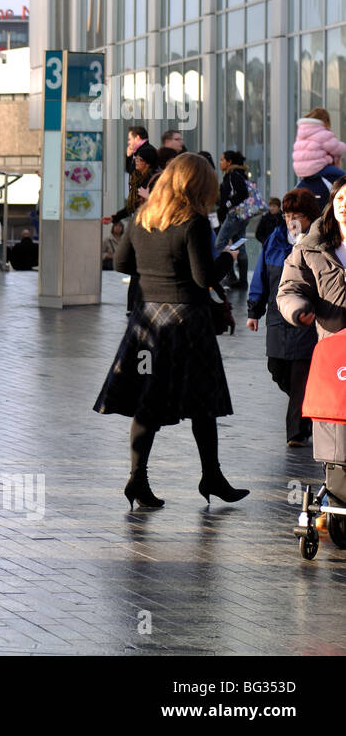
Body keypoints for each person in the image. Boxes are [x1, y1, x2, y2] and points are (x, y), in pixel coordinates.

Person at [94, 152, 248, 509]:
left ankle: (138, 479)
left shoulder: (141, 218)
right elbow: (203, 278)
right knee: (203, 402)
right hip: (187, 323)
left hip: (149, 321)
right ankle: (211, 475)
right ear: (198, 184)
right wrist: (228, 256)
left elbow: (120, 263)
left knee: (148, 403)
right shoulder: (193, 222)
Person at [279, 175, 346, 485]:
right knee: (336, 426)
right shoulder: (310, 247)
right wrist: (297, 309)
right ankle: (337, 491)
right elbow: (290, 287)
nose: (344, 206)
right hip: (334, 350)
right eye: (340, 200)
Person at [248, 188, 319, 447]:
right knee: (276, 369)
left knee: (301, 374)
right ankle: (310, 409)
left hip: (306, 319)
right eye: (288, 214)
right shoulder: (275, 239)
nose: (292, 220)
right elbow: (261, 276)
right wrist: (254, 310)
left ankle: (297, 432)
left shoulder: (318, 242)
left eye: (298, 214)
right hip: (277, 317)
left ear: (310, 216)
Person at [292, 108, 346, 212]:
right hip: (318, 168)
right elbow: (335, 148)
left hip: (304, 171)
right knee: (342, 176)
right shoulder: (322, 132)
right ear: (325, 120)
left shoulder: (303, 131)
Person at [216, 150, 254, 287]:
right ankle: (242, 280)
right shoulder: (240, 174)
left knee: (220, 243)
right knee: (239, 244)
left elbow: (242, 193)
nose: (220, 163)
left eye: (222, 160)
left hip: (235, 215)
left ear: (229, 162)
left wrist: (227, 204)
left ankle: (231, 275)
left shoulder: (233, 175)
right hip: (242, 215)